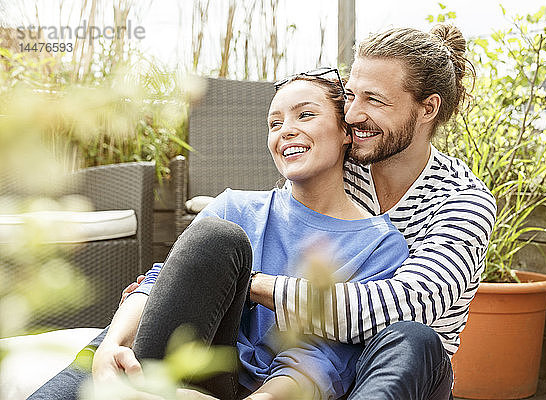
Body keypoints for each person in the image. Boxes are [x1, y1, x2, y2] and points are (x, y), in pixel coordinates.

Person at [129, 23, 497, 399]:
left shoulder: (463, 202)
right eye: (351, 96)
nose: (352, 115)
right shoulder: (345, 161)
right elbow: (274, 222)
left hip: (399, 375)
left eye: (374, 100)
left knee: (410, 337)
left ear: (427, 109)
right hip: (310, 370)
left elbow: (401, 306)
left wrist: (247, 283)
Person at [29, 70, 410, 400]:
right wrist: (112, 344)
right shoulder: (237, 207)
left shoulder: (379, 245)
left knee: (217, 238)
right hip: (174, 362)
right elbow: (163, 281)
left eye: (305, 115)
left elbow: (321, 360)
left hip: (254, 391)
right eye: (274, 124)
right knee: (213, 240)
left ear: (346, 131)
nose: (286, 130)